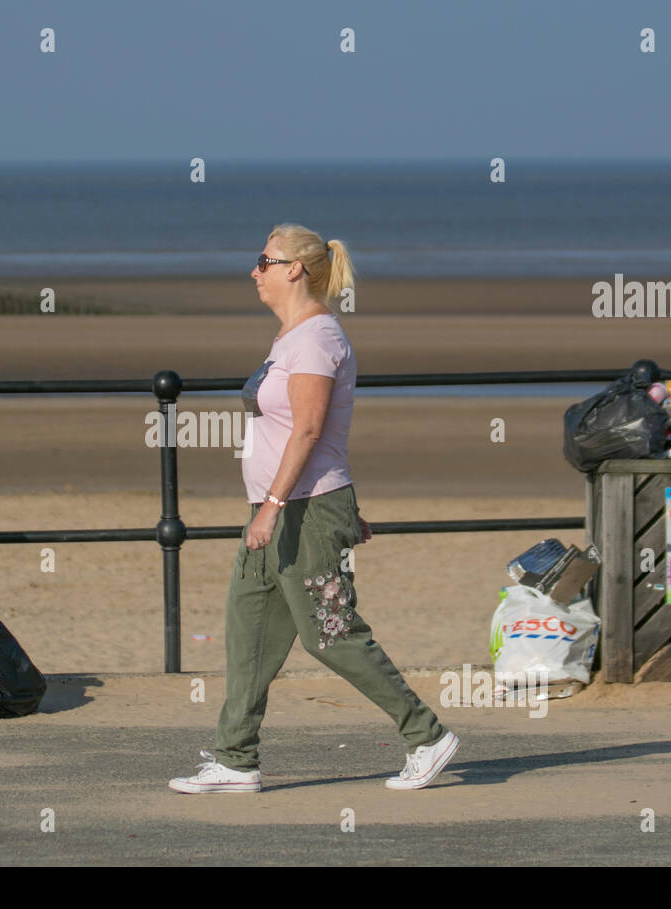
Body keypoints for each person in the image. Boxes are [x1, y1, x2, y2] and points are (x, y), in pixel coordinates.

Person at [169, 223, 458, 794]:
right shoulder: (290, 338)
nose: (254, 271)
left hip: (299, 512)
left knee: (331, 633)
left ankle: (425, 735)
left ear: (294, 268)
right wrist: (277, 509)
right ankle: (236, 760)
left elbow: (308, 430)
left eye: (264, 260)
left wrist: (275, 509)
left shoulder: (317, 339)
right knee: (247, 634)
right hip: (280, 512)